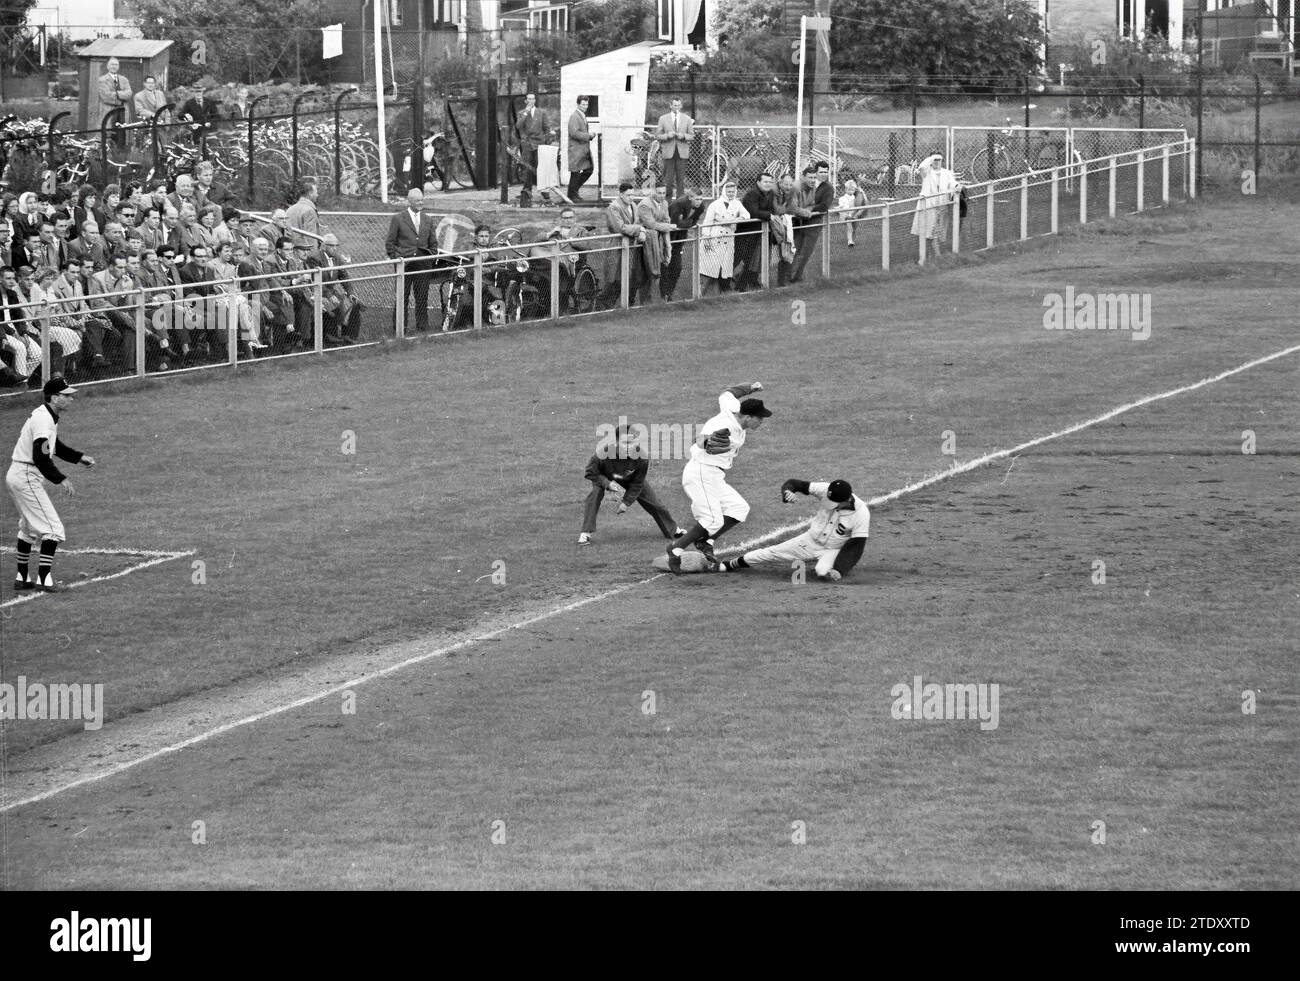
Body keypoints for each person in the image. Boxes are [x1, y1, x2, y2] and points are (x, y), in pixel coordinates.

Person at [665, 382, 771, 574]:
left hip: (714, 476)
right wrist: (707, 443)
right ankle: (675, 549)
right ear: (747, 417)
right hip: (701, 472)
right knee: (712, 520)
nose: (761, 422)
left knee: (739, 508)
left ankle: (706, 540)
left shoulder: (733, 409)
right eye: (760, 419)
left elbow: (728, 393)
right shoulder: (723, 424)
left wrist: (751, 387)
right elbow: (699, 440)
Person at [6, 375, 97, 592]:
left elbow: (53, 447)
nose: (71, 399)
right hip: (27, 475)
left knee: (28, 527)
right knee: (53, 530)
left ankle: (22, 578)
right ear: (54, 398)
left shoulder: (45, 415)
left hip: (17, 474)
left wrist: (78, 457)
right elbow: (41, 457)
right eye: (67, 396)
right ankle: (44, 580)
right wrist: (61, 478)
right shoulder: (44, 420)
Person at [717, 479, 869, 581]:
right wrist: (787, 492)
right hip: (810, 540)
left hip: (833, 549)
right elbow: (794, 483)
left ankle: (827, 565)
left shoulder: (861, 514)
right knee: (772, 552)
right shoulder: (825, 490)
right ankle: (730, 564)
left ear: (847, 500)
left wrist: (840, 569)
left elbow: (856, 546)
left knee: (823, 572)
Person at [578, 426, 686, 546]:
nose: (630, 446)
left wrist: (626, 503)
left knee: (655, 503)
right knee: (595, 495)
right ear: (616, 442)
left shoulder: (641, 456)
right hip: (605, 476)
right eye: (625, 443)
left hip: (629, 479)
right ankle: (585, 534)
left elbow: (638, 483)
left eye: (632, 442)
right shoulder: (602, 453)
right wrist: (607, 483)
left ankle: (674, 531)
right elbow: (590, 472)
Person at [384, 187, 436, 332]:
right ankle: (400, 327)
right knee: (402, 297)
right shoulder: (398, 218)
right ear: (410, 201)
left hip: (423, 265)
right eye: (417, 200)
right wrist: (397, 260)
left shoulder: (428, 219)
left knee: (422, 297)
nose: (421, 203)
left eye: (422, 200)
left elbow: (433, 243)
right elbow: (390, 242)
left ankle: (422, 327)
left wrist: (430, 258)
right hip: (404, 265)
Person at [307, 233, 361, 345]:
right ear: (324, 246)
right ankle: (330, 336)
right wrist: (329, 295)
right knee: (334, 302)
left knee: (355, 303)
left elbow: (344, 276)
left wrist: (350, 293)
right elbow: (316, 281)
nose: (335, 248)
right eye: (331, 246)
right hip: (318, 291)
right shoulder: (314, 258)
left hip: (331, 291)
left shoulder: (337, 258)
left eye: (336, 245)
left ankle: (349, 335)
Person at [699, 180, 750, 296]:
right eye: (729, 191)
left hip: (728, 239)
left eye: (733, 191)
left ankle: (723, 291)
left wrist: (734, 221)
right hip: (715, 237)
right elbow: (707, 222)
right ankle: (702, 293)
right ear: (724, 191)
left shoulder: (737, 203)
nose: (731, 194)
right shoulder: (715, 204)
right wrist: (706, 238)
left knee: (725, 268)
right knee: (710, 268)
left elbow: (747, 215)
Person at [603, 181, 647, 308]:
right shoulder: (614, 207)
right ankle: (605, 305)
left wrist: (638, 230)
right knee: (615, 278)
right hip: (617, 246)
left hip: (632, 246)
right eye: (628, 195)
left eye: (633, 195)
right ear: (621, 194)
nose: (631, 198)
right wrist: (638, 230)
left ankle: (628, 304)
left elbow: (638, 221)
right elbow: (620, 227)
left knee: (632, 277)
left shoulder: (633, 205)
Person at [789, 161, 833, 283]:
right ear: (815, 172)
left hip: (813, 223)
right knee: (795, 250)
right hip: (799, 222)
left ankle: (795, 278)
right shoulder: (807, 185)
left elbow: (824, 206)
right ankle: (789, 275)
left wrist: (810, 209)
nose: (824, 174)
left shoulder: (828, 188)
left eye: (826, 172)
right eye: (821, 172)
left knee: (805, 252)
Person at [911, 153, 958, 260]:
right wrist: (931, 158)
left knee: (936, 233)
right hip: (927, 207)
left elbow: (952, 183)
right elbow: (922, 167)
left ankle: (934, 257)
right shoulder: (926, 172)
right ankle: (929, 257)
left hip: (941, 207)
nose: (937, 162)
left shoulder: (946, 173)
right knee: (927, 233)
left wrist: (958, 187)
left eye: (939, 160)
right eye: (934, 160)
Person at [662, 187, 705, 302]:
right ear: (690, 197)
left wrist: (685, 223)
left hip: (679, 239)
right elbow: (676, 223)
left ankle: (668, 294)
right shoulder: (678, 204)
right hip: (666, 238)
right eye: (697, 199)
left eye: (701, 199)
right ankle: (662, 294)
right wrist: (687, 223)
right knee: (665, 266)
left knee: (676, 268)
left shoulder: (701, 207)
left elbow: (692, 222)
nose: (699, 201)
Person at [635, 182, 675, 304]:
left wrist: (668, 245)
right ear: (653, 191)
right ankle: (635, 302)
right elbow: (651, 225)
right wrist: (668, 226)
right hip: (641, 242)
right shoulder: (644, 205)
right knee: (642, 274)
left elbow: (666, 220)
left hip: (656, 240)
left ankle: (651, 301)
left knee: (656, 271)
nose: (662, 196)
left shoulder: (665, 203)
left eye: (664, 193)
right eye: (659, 193)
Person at [737, 173, 777, 291]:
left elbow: (772, 209)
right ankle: (738, 285)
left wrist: (770, 215)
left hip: (762, 230)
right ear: (758, 182)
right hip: (747, 232)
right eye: (765, 182)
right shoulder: (752, 194)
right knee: (747, 259)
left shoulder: (770, 194)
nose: (768, 184)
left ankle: (752, 281)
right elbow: (753, 212)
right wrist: (768, 215)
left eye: (770, 182)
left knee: (758, 259)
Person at [654, 98, 695, 201]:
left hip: (682, 153)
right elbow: (658, 135)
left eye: (678, 105)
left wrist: (684, 136)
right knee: (668, 179)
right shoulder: (663, 118)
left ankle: (680, 201)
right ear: (670, 106)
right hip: (668, 153)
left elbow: (692, 136)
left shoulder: (687, 119)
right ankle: (667, 203)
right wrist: (667, 135)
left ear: (681, 106)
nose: (676, 107)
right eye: (674, 105)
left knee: (680, 179)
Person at [514, 92, 549, 197]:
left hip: (539, 143)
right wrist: (526, 112)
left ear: (535, 100)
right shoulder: (521, 113)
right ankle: (527, 191)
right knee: (527, 167)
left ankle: (544, 191)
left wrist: (544, 139)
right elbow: (518, 125)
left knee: (541, 167)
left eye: (533, 99)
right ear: (526, 101)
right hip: (528, 144)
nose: (531, 101)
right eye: (529, 99)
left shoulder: (541, 112)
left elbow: (547, 128)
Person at [97, 58, 132, 147]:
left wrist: (116, 93)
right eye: (112, 64)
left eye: (116, 64)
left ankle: (121, 153)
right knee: (109, 133)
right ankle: (108, 152)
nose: (114, 66)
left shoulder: (124, 79)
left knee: (123, 132)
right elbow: (106, 96)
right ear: (108, 66)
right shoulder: (102, 80)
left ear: (118, 67)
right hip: (109, 111)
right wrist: (122, 97)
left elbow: (129, 94)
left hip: (123, 111)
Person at [565, 95, 594, 202]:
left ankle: (573, 192)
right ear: (578, 104)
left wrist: (589, 135)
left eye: (587, 104)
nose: (585, 106)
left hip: (583, 149)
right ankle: (572, 195)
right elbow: (573, 133)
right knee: (575, 173)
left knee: (589, 169)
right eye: (583, 104)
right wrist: (588, 135)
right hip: (576, 150)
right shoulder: (574, 116)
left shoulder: (582, 115)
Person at [284, 179, 324, 248]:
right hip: (304, 252)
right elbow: (311, 238)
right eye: (316, 192)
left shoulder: (289, 209)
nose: (317, 195)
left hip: (290, 249)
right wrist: (314, 257)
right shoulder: (309, 211)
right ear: (310, 193)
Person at [838, 177, 869, 247]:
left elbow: (865, 202)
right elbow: (843, 208)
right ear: (845, 189)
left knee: (854, 228)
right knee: (850, 228)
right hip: (846, 216)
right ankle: (850, 241)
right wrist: (847, 213)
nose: (850, 191)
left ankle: (852, 240)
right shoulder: (842, 198)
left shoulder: (855, 197)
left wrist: (862, 192)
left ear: (855, 190)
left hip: (853, 215)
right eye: (849, 190)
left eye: (852, 190)